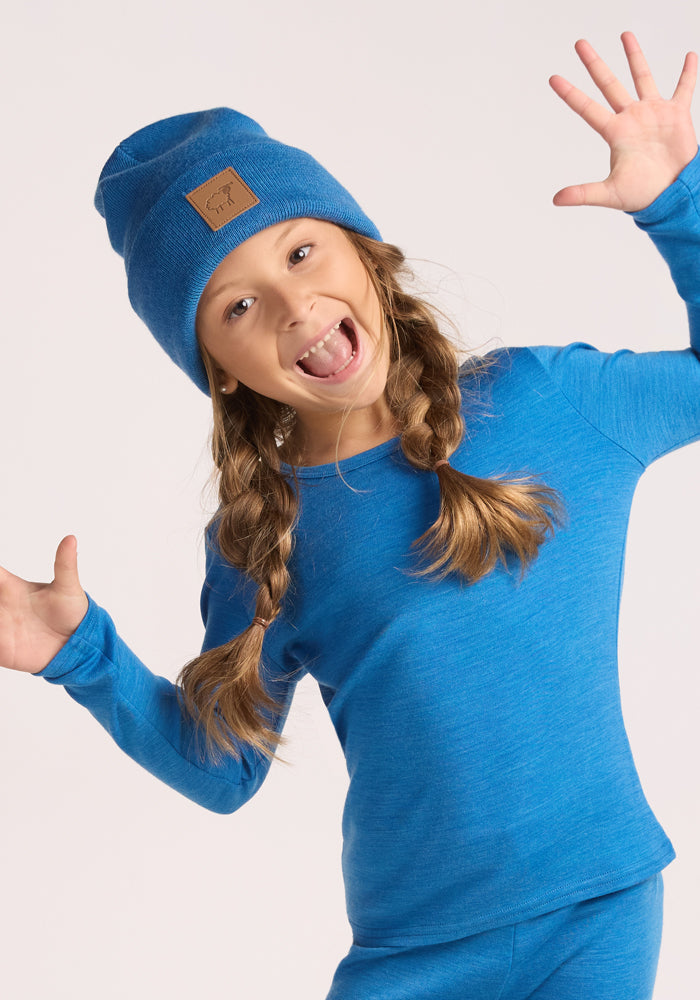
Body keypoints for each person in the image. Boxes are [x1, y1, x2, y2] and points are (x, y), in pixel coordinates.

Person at [1, 30, 698, 1000]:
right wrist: (80, 656)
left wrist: (679, 206)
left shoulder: (550, 404)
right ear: (215, 367)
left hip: (595, 908)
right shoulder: (262, 536)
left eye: (300, 249)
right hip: (409, 955)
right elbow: (222, 769)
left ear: (362, 252)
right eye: (237, 306)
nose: (291, 302)